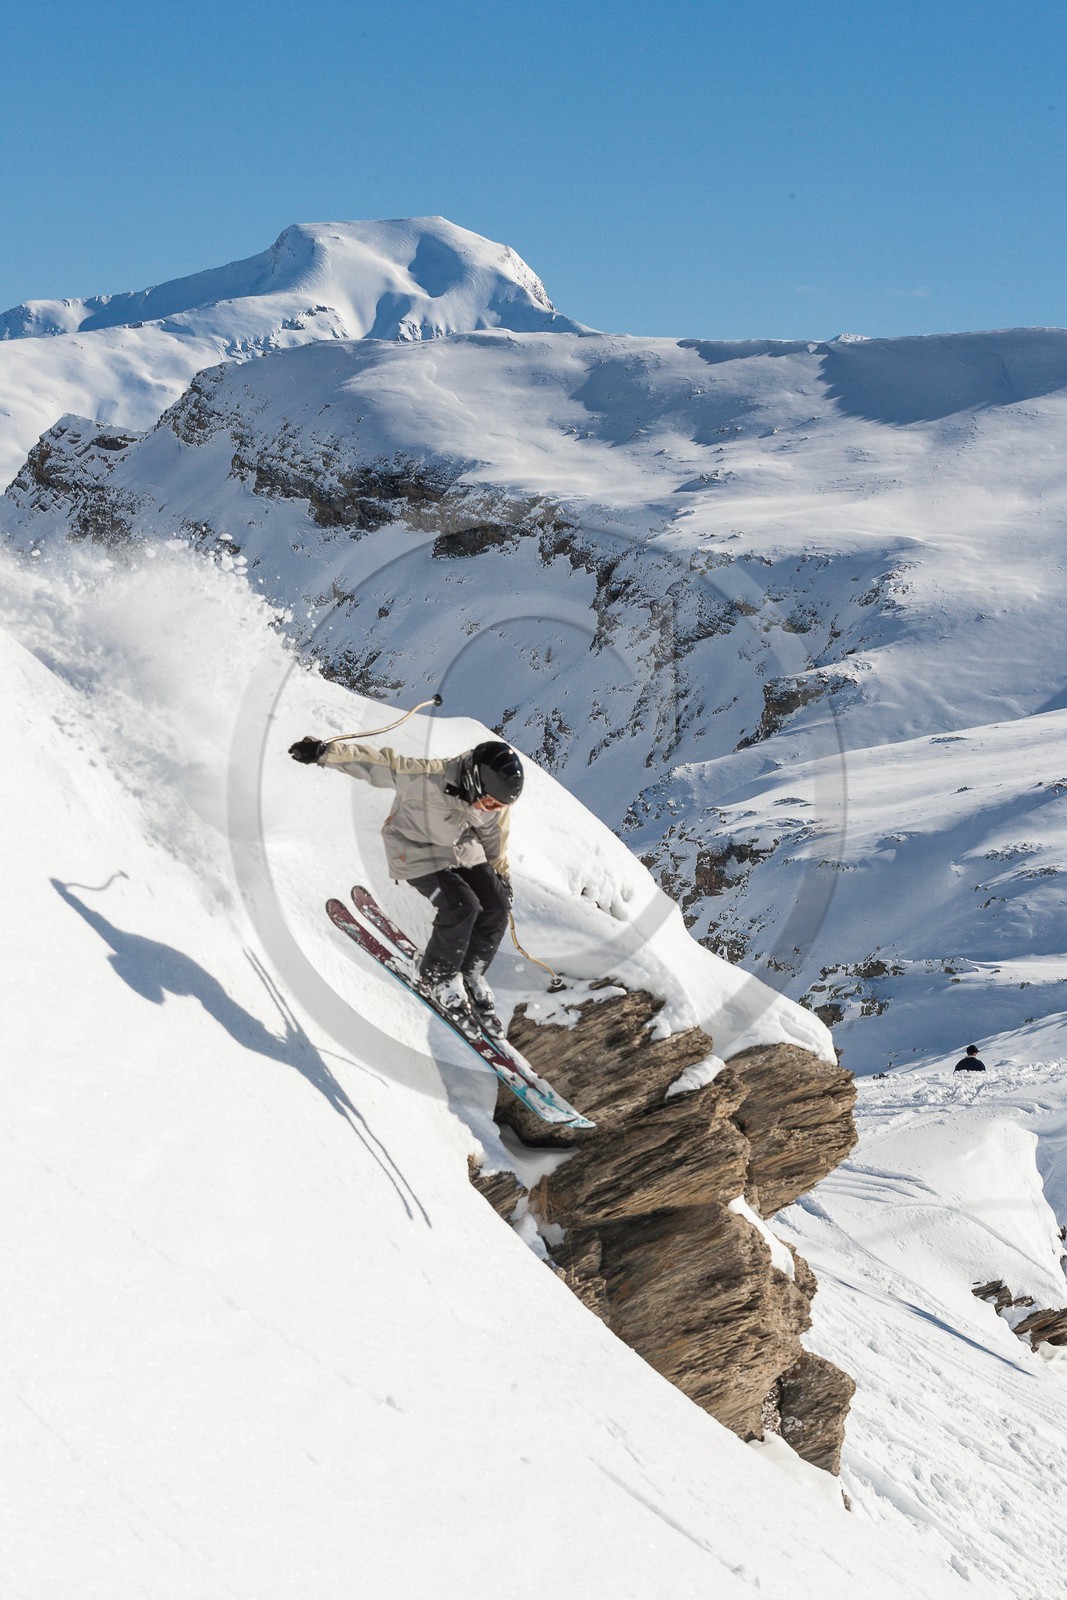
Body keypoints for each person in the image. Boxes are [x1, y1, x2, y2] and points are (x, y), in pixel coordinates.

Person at [289, 733, 523, 1031]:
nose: (491, 809)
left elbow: (494, 840)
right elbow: (378, 763)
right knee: (462, 906)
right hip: (413, 850)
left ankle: (471, 971)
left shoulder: (493, 807)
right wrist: (324, 753)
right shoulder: (426, 777)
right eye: (489, 803)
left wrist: (502, 876)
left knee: (496, 906)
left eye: (498, 806)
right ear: (476, 780)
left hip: (459, 848)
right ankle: (437, 976)